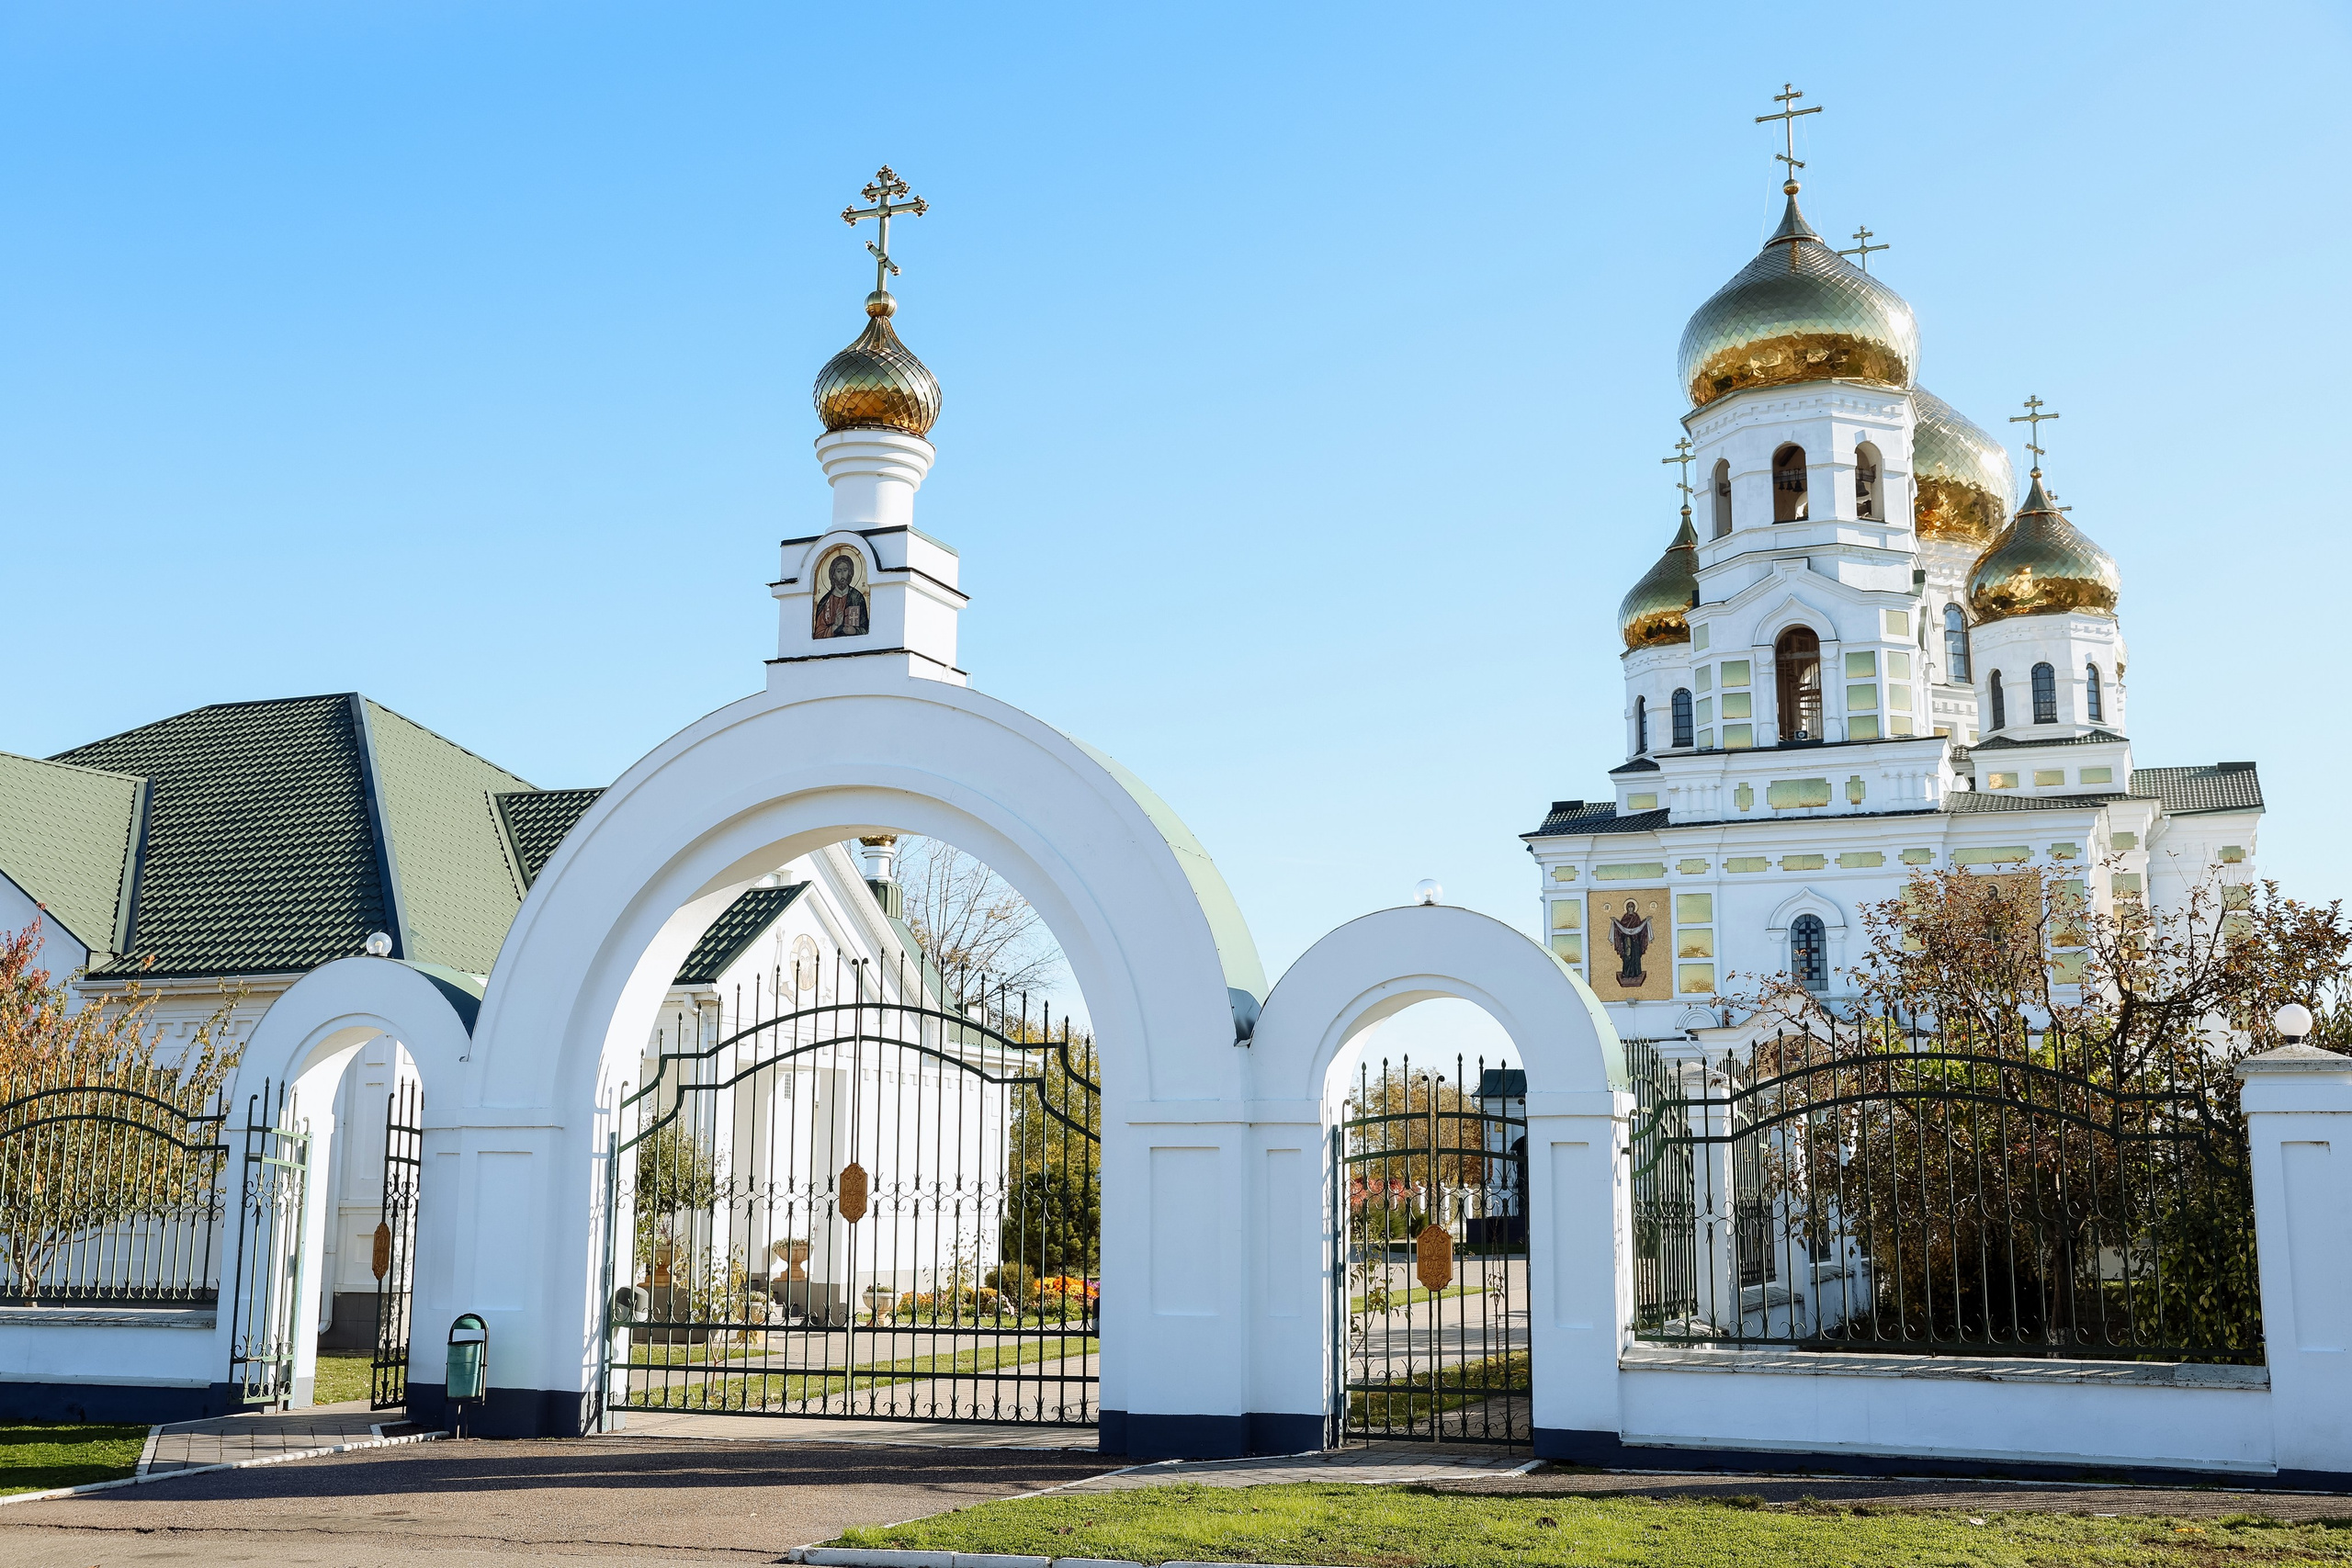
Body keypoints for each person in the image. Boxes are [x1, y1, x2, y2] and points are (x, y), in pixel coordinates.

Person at [813, 553, 869, 638]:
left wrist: (855, 631)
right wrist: (835, 626)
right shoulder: (825, 602)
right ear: (833, 575)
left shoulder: (857, 597)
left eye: (845, 570)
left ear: (850, 573)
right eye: (838, 571)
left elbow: (866, 629)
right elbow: (818, 634)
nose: (842, 575)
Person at [1610, 899, 1652, 987]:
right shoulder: (1625, 918)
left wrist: (1646, 921)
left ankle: (1636, 973)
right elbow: (1622, 928)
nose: (1630, 909)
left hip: (1635, 941)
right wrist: (1615, 922)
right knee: (1627, 956)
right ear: (1626, 908)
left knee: (1636, 956)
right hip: (1627, 940)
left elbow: (1640, 927)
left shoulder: (1636, 917)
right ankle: (1626, 973)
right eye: (1629, 907)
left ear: (1634, 908)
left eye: (1632, 907)